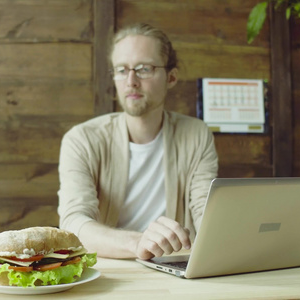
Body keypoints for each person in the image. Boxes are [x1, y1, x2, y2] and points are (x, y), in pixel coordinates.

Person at [57, 23, 218, 260]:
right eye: (121, 70)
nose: (131, 81)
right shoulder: (82, 139)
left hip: (175, 266)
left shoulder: (196, 134)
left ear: (171, 77)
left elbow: (207, 213)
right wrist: (137, 243)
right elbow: (73, 222)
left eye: (144, 68)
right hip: (108, 268)